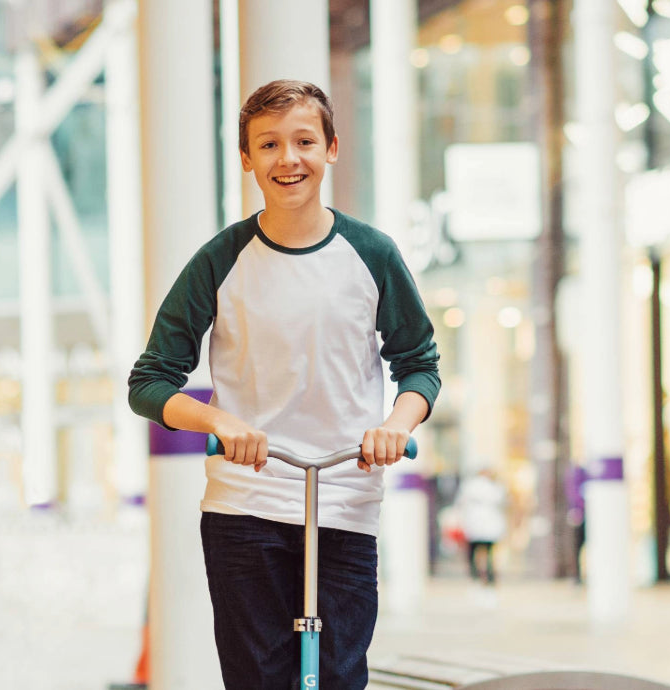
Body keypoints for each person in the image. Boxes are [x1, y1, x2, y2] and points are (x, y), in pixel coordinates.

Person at [127, 79, 441, 690]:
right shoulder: (220, 260)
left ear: (331, 148)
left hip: (346, 497)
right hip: (246, 502)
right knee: (257, 677)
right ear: (246, 158)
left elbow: (419, 362)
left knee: (340, 674)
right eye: (268, 145)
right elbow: (150, 381)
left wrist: (394, 427)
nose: (287, 159)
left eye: (303, 141)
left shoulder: (372, 253)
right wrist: (218, 422)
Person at [458, 468, 507, 587]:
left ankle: (475, 574)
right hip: (488, 526)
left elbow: (461, 503)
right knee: (488, 552)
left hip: (476, 524)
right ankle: (489, 576)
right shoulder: (494, 487)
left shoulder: (470, 486)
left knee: (474, 550)